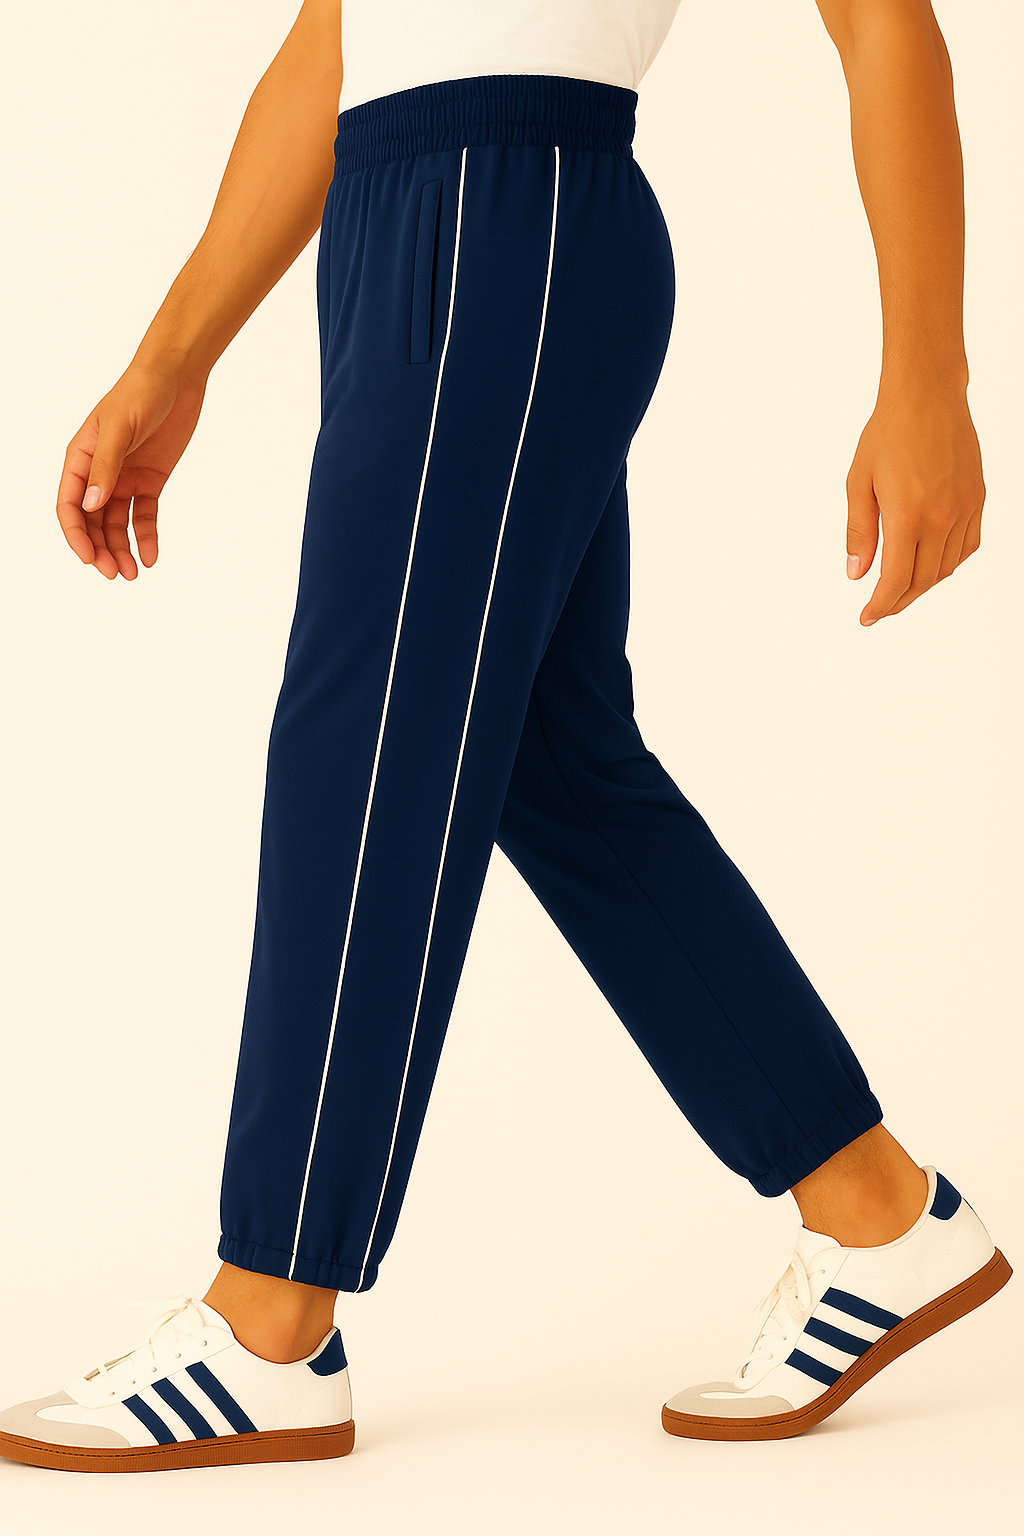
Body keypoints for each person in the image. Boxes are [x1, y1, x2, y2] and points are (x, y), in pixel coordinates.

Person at [0, 0, 1011, 1472]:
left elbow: (884, 21)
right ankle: (874, 1210)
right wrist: (173, 358)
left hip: (507, 207)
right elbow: (335, 42)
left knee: (368, 735)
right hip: (403, 212)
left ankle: (272, 1314)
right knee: (552, 757)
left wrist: (929, 378)